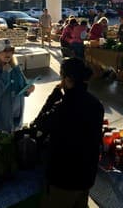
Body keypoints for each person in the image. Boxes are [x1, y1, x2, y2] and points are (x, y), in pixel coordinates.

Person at [31, 58, 103, 208]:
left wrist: (53, 97)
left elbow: (38, 125)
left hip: (63, 180)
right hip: (86, 176)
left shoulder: (61, 108)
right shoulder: (96, 105)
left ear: (67, 80)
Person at [0, 38, 35, 132]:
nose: (8, 53)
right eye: (4, 51)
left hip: (16, 116)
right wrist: (5, 73)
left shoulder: (16, 68)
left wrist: (28, 89)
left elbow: (23, 86)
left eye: (10, 50)